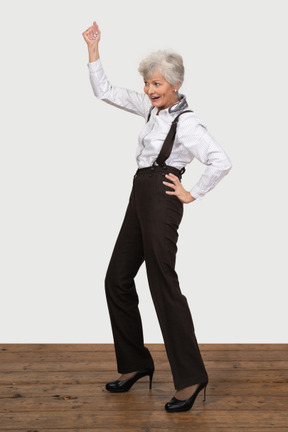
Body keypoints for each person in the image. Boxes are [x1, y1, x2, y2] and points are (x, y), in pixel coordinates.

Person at [82, 21, 232, 413]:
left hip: (162, 199)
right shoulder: (151, 109)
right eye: (148, 84)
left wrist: (192, 192)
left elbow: (221, 160)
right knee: (116, 277)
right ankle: (135, 363)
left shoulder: (188, 122)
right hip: (139, 193)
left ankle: (192, 376)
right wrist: (94, 50)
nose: (149, 91)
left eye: (156, 85)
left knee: (162, 282)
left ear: (175, 86)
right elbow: (105, 92)